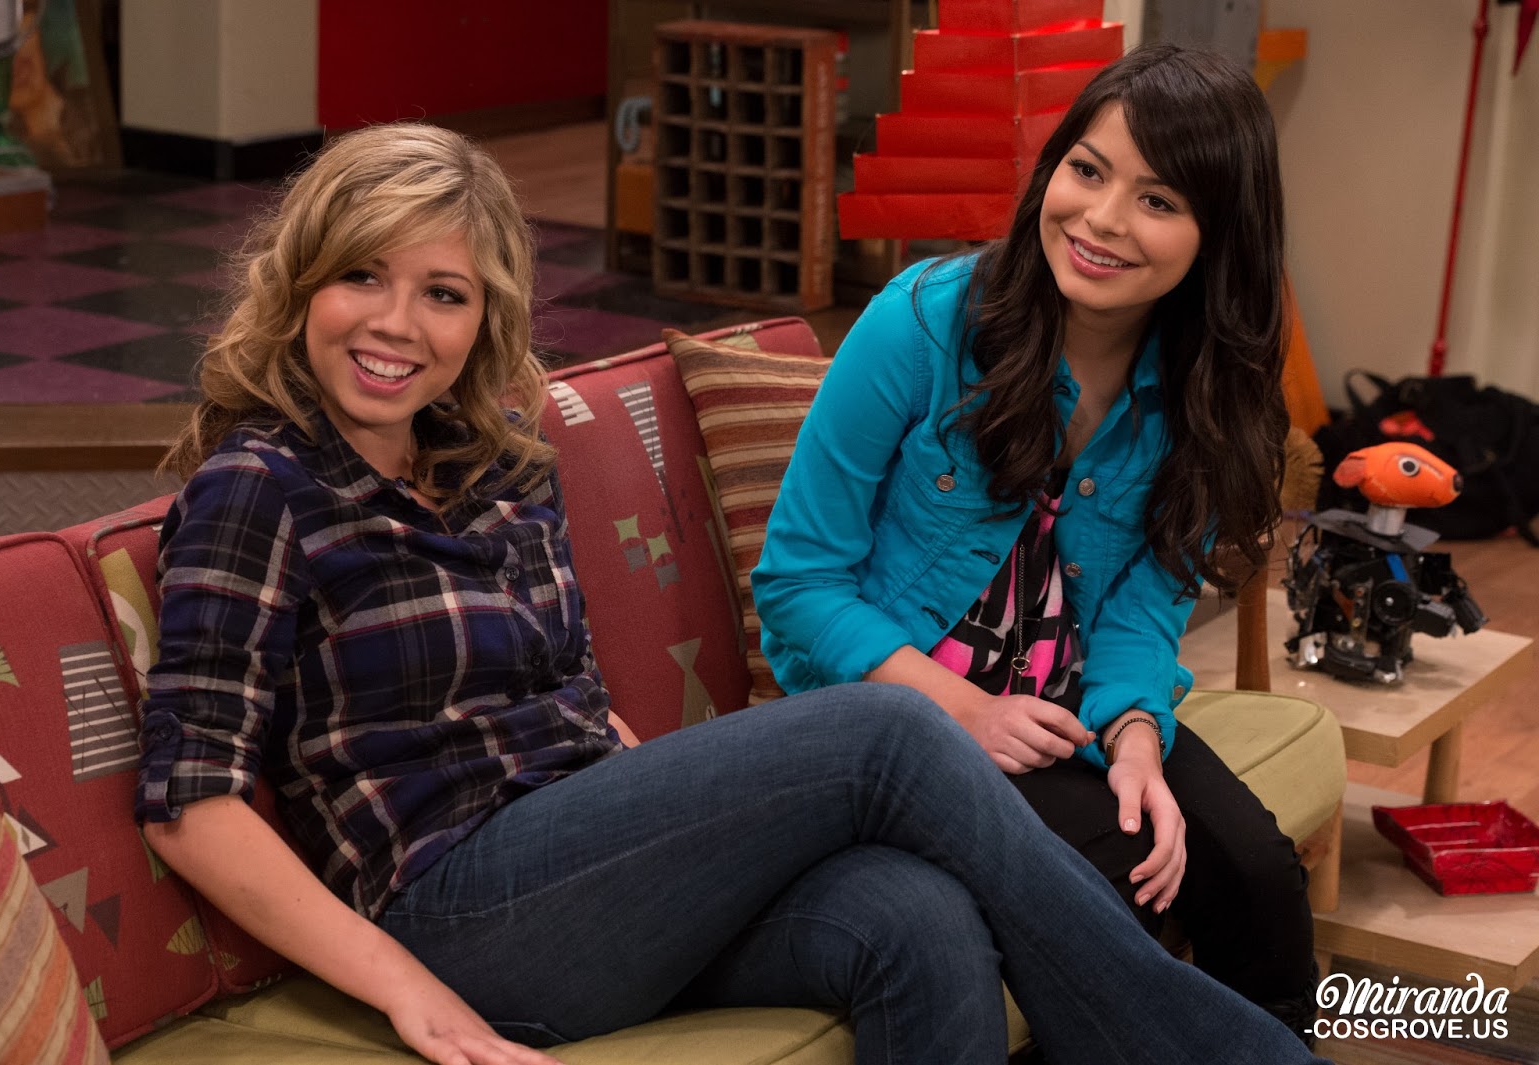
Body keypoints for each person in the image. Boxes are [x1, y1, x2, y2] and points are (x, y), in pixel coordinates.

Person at [134, 120, 1330, 1065]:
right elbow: (189, 803)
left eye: (444, 293)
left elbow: (570, 706)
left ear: (485, 314)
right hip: (460, 909)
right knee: (889, 730)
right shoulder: (260, 487)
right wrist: (407, 987)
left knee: (915, 918)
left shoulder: (501, 466)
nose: (397, 325)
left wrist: (688, 824)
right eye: (361, 277)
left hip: (592, 873)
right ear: (300, 283)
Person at [753, 43, 1318, 1041]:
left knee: (1252, 871)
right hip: (895, 718)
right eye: (1087, 170)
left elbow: (1144, 608)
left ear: (1216, 236)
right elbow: (797, 585)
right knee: (1120, 869)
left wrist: (1136, 738)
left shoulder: (1200, 389)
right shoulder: (920, 325)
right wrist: (967, 712)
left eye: (1157, 199)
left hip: (1069, 708)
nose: (1100, 219)